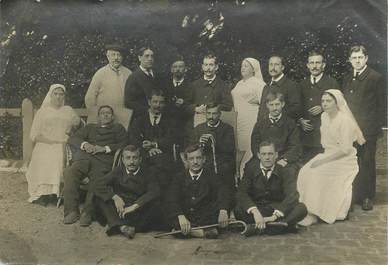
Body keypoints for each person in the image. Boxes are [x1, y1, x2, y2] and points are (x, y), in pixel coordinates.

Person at [297, 89, 365, 226]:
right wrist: (322, 159)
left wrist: (323, 161)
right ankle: (306, 210)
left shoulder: (344, 120)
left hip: (345, 159)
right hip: (328, 153)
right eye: (323, 101)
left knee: (317, 173)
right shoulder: (324, 117)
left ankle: (315, 213)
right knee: (305, 171)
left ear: (337, 103)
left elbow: (345, 149)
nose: (325, 104)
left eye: (328, 101)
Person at [63, 105, 127, 226]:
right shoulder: (90, 127)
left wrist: (105, 148)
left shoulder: (118, 128)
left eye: (108, 113)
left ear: (113, 117)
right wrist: (85, 144)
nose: (106, 115)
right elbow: (73, 138)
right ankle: (71, 211)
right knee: (70, 172)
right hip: (85, 158)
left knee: (97, 178)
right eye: (103, 113)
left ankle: (88, 212)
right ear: (98, 117)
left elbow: (124, 143)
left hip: (104, 159)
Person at [342, 45, 386, 211]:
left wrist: (373, 129)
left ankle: (368, 196)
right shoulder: (347, 78)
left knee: (367, 162)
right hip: (350, 129)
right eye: (354, 58)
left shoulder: (376, 77)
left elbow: (381, 107)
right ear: (350, 60)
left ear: (366, 58)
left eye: (360, 57)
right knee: (352, 161)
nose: (357, 61)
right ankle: (354, 195)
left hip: (367, 130)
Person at [235, 141, 307, 236]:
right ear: (258, 155)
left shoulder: (285, 171)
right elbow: (242, 192)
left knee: (301, 208)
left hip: (277, 210)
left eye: (270, 154)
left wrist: (273, 217)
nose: (267, 157)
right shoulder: (250, 170)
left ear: (276, 155)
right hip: (258, 209)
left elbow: (292, 195)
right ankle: (282, 226)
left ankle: (259, 228)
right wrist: (255, 212)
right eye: (264, 154)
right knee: (238, 210)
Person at [26, 84, 80, 206]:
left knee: (58, 154)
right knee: (46, 154)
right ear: (50, 95)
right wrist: (50, 141)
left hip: (65, 143)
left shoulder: (68, 110)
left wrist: (72, 126)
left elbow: (78, 123)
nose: (58, 97)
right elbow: (34, 134)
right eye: (56, 94)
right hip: (46, 142)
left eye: (61, 94)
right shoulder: (42, 112)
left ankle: (56, 193)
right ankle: (43, 193)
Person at [93, 145, 162, 239]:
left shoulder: (148, 172)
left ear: (140, 159)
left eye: (135, 158)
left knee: (156, 204)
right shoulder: (118, 171)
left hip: (138, 209)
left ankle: (119, 226)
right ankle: (123, 227)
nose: (131, 162)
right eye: (128, 158)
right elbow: (98, 184)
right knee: (100, 198)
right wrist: (115, 197)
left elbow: (154, 191)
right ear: (123, 160)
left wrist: (135, 206)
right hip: (120, 209)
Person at [166, 144, 231, 239]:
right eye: (191, 159)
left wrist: (223, 210)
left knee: (219, 210)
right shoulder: (179, 178)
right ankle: (200, 232)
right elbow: (172, 198)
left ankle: (185, 231)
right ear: (186, 161)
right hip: (186, 216)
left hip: (205, 217)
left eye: (198, 158)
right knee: (169, 210)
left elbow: (223, 192)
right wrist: (180, 216)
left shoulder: (212, 176)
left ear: (204, 159)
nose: (195, 162)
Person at [128, 89, 176, 189]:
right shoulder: (139, 119)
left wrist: (154, 144)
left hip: (164, 156)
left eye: (161, 102)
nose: (158, 105)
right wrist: (148, 149)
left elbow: (171, 139)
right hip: (143, 155)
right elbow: (133, 139)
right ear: (149, 102)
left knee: (162, 170)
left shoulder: (170, 120)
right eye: (155, 102)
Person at [299, 51, 340, 163]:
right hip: (306, 137)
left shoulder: (332, 83)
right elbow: (297, 107)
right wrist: (300, 120)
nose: (314, 66)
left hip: (325, 136)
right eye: (311, 63)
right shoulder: (302, 84)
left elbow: (340, 106)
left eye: (318, 63)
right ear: (307, 65)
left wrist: (324, 108)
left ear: (324, 65)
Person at [186, 103, 236, 190]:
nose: (210, 117)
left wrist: (214, 142)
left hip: (222, 163)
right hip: (204, 162)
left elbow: (229, 149)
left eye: (214, 113)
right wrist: (199, 143)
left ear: (219, 114)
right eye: (208, 113)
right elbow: (190, 148)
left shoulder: (227, 129)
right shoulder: (198, 128)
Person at [250, 92, 301, 172]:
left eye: (277, 104)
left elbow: (295, 145)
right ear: (267, 105)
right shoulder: (260, 124)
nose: (274, 108)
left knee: (290, 171)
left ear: (283, 104)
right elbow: (255, 145)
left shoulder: (290, 123)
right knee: (250, 169)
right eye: (271, 105)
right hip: (264, 158)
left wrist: (285, 159)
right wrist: (264, 159)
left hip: (282, 159)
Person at [231, 57, 266, 177]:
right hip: (238, 121)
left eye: (246, 66)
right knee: (239, 148)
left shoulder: (259, 84)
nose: (243, 68)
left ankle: (248, 177)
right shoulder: (239, 83)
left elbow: (265, 103)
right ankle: (239, 177)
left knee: (249, 147)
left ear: (253, 69)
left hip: (251, 120)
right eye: (242, 66)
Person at [85, 44, 132, 128]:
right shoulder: (100, 73)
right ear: (108, 56)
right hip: (104, 117)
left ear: (122, 57)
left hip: (123, 116)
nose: (116, 58)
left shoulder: (128, 73)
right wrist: (97, 116)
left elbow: (133, 96)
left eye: (119, 55)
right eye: (113, 55)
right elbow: (90, 98)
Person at [189, 54, 233, 126]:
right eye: (206, 65)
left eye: (211, 65)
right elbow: (187, 104)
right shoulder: (194, 85)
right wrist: (195, 108)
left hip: (216, 122)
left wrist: (213, 108)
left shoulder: (223, 85)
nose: (208, 68)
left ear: (216, 67)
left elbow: (228, 105)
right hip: (198, 121)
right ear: (202, 67)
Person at [257, 55, 301, 122]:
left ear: (282, 67)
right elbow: (261, 110)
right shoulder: (266, 87)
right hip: (265, 129)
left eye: (276, 65)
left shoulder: (291, 85)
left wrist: (276, 117)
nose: (273, 68)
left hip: (283, 128)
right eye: (271, 65)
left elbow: (296, 109)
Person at [164, 57, 193, 151]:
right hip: (167, 123)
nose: (177, 69)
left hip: (184, 124)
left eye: (180, 67)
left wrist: (184, 102)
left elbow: (193, 103)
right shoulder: (165, 84)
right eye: (175, 67)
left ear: (185, 69)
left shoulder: (191, 86)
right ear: (171, 69)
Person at [124, 47, 160, 118]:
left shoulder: (157, 75)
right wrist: (147, 110)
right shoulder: (134, 77)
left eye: (152, 56)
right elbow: (128, 102)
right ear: (139, 58)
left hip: (158, 116)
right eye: (146, 56)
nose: (150, 59)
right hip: (141, 117)